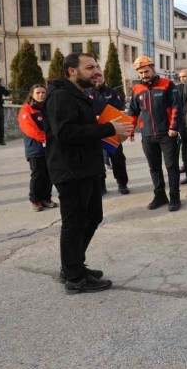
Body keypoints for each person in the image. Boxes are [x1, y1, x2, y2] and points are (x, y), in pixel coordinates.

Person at [44, 53, 133, 294]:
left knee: (92, 217)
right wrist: (108, 128)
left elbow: (82, 125)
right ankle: (74, 278)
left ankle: (73, 265)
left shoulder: (79, 94)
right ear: (72, 70)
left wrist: (110, 130)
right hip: (71, 170)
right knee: (74, 223)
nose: (96, 71)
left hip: (87, 167)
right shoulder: (60, 95)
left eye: (97, 66)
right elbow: (65, 133)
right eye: (90, 67)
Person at [127, 55, 182, 212]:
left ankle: (174, 197)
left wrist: (174, 127)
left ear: (152, 68)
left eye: (146, 71)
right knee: (154, 168)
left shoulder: (167, 84)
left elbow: (176, 107)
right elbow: (133, 111)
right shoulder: (137, 89)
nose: (144, 75)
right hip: (147, 135)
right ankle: (160, 196)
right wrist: (130, 129)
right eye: (141, 73)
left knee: (171, 167)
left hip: (167, 134)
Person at [18, 84, 57, 211]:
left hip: (50, 148)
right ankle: (35, 200)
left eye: (43, 92)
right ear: (32, 94)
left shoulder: (50, 108)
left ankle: (46, 198)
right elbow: (30, 129)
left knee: (49, 174)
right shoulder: (26, 110)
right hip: (35, 149)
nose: (41, 95)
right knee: (38, 175)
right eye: (38, 93)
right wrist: (47, 138)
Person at [92, 72, 130, 195]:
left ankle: (122, 183)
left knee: (118, 158)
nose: (97, 79)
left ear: (104, 78)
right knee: (97, 160)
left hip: (112, 130)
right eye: (94, 77)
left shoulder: (111, 92)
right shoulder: (86, 93)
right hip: (94, 132)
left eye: (99, 76)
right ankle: (101, 185)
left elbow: (119, 109)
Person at [177, 68, 187, 175]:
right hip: (182, 120)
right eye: (181, 77)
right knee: (184, 143)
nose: (182, 79)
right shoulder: (177, 88)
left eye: (184, 76)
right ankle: (185, 164)